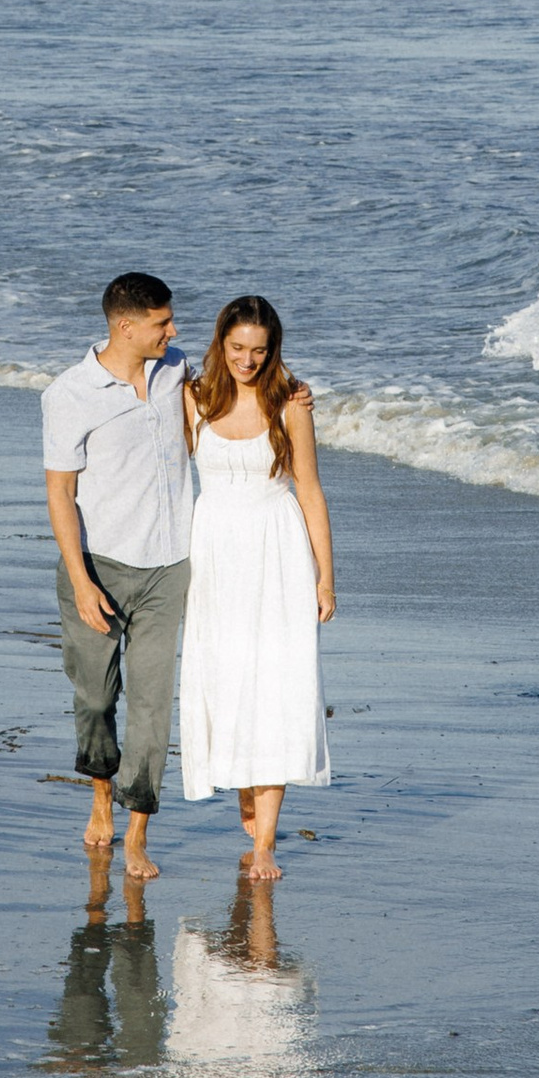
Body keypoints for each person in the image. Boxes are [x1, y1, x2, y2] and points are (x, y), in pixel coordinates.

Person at [42, 271, 194, 884]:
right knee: (97, 698)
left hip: (169, 567)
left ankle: (136, 830)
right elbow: (60, 493)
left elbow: (234, 398)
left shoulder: (176, 368)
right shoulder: (70, 394)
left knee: (153, 709)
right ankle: (101, 794)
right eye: (162, 322)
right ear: (126, 326)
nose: (174, 330)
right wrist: (80, 580)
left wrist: (291, 397)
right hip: (98, 565)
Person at [178, 293, 335, 879]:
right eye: (238, 348)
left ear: (274, 351)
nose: (247, 360)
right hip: (214, 552)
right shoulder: (191, 398)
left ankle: (265, 842)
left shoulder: (290, 403)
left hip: (278, 550)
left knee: (276, 686)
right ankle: (244, 778)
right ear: (221, 343)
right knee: (224, 678)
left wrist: (326, 578)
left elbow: (310, 490)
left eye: (259, 350)